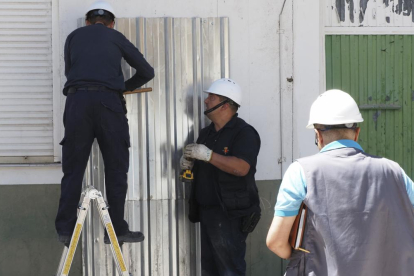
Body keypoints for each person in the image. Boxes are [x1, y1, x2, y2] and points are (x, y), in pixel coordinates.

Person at [266, 90, 414, 275]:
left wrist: (301, 258)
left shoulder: (301, 172)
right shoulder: (395, 172)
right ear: (356, 133)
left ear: (317, 135)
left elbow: (276, 242)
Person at [55, 0, 154, 246]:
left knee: (73, 169)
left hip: (77, 102)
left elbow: (70, 72)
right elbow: (147, 71)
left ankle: (66, 231)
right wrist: (123, 87)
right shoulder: (116, 37)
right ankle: (116, 230)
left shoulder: (73, 37)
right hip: (109, 104)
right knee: (116, 169)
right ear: (111, 24)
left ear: (88, 22)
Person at [181, 78, 261, 276]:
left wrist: (207, 155)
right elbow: (206, 166)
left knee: (229, 270)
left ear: (225, 105)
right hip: (208, 212)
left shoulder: (244, 133)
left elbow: (242, 168)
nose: (206, 101)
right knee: (210, 270)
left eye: (211, 97)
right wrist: (189, 164)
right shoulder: (206, 133)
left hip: (229, 215)